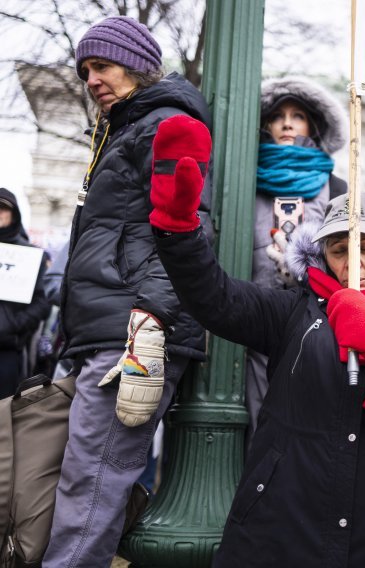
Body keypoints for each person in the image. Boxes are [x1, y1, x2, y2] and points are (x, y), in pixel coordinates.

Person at [147, 114, 365, 566]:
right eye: (338, 250)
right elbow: (215, 298)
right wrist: (177, 229)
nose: (351, 263)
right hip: (283, 527)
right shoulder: (294, 309)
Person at [43, 16, 213, 567]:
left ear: (138, 66)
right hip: (101, 331)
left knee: (91, 484)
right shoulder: (120, 130)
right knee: (80, 480)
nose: (92, 79)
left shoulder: (165, 125)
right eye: (85, 70)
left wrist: (149, 327)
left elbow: (185, 231)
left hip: (131, 334)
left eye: (104, 66)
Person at [246, 77, 347, 440]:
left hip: (315, 324)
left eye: (298, 115)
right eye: (278, 116)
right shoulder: (243, 181)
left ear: (313, 127)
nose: (287, 123)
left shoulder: (338, 190)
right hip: (250, 325)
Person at [0, 188, 49, 398]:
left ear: (14, 214)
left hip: (7, 349)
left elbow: (42, 302)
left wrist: (13, 326)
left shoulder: (30, 255)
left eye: (3, 208)